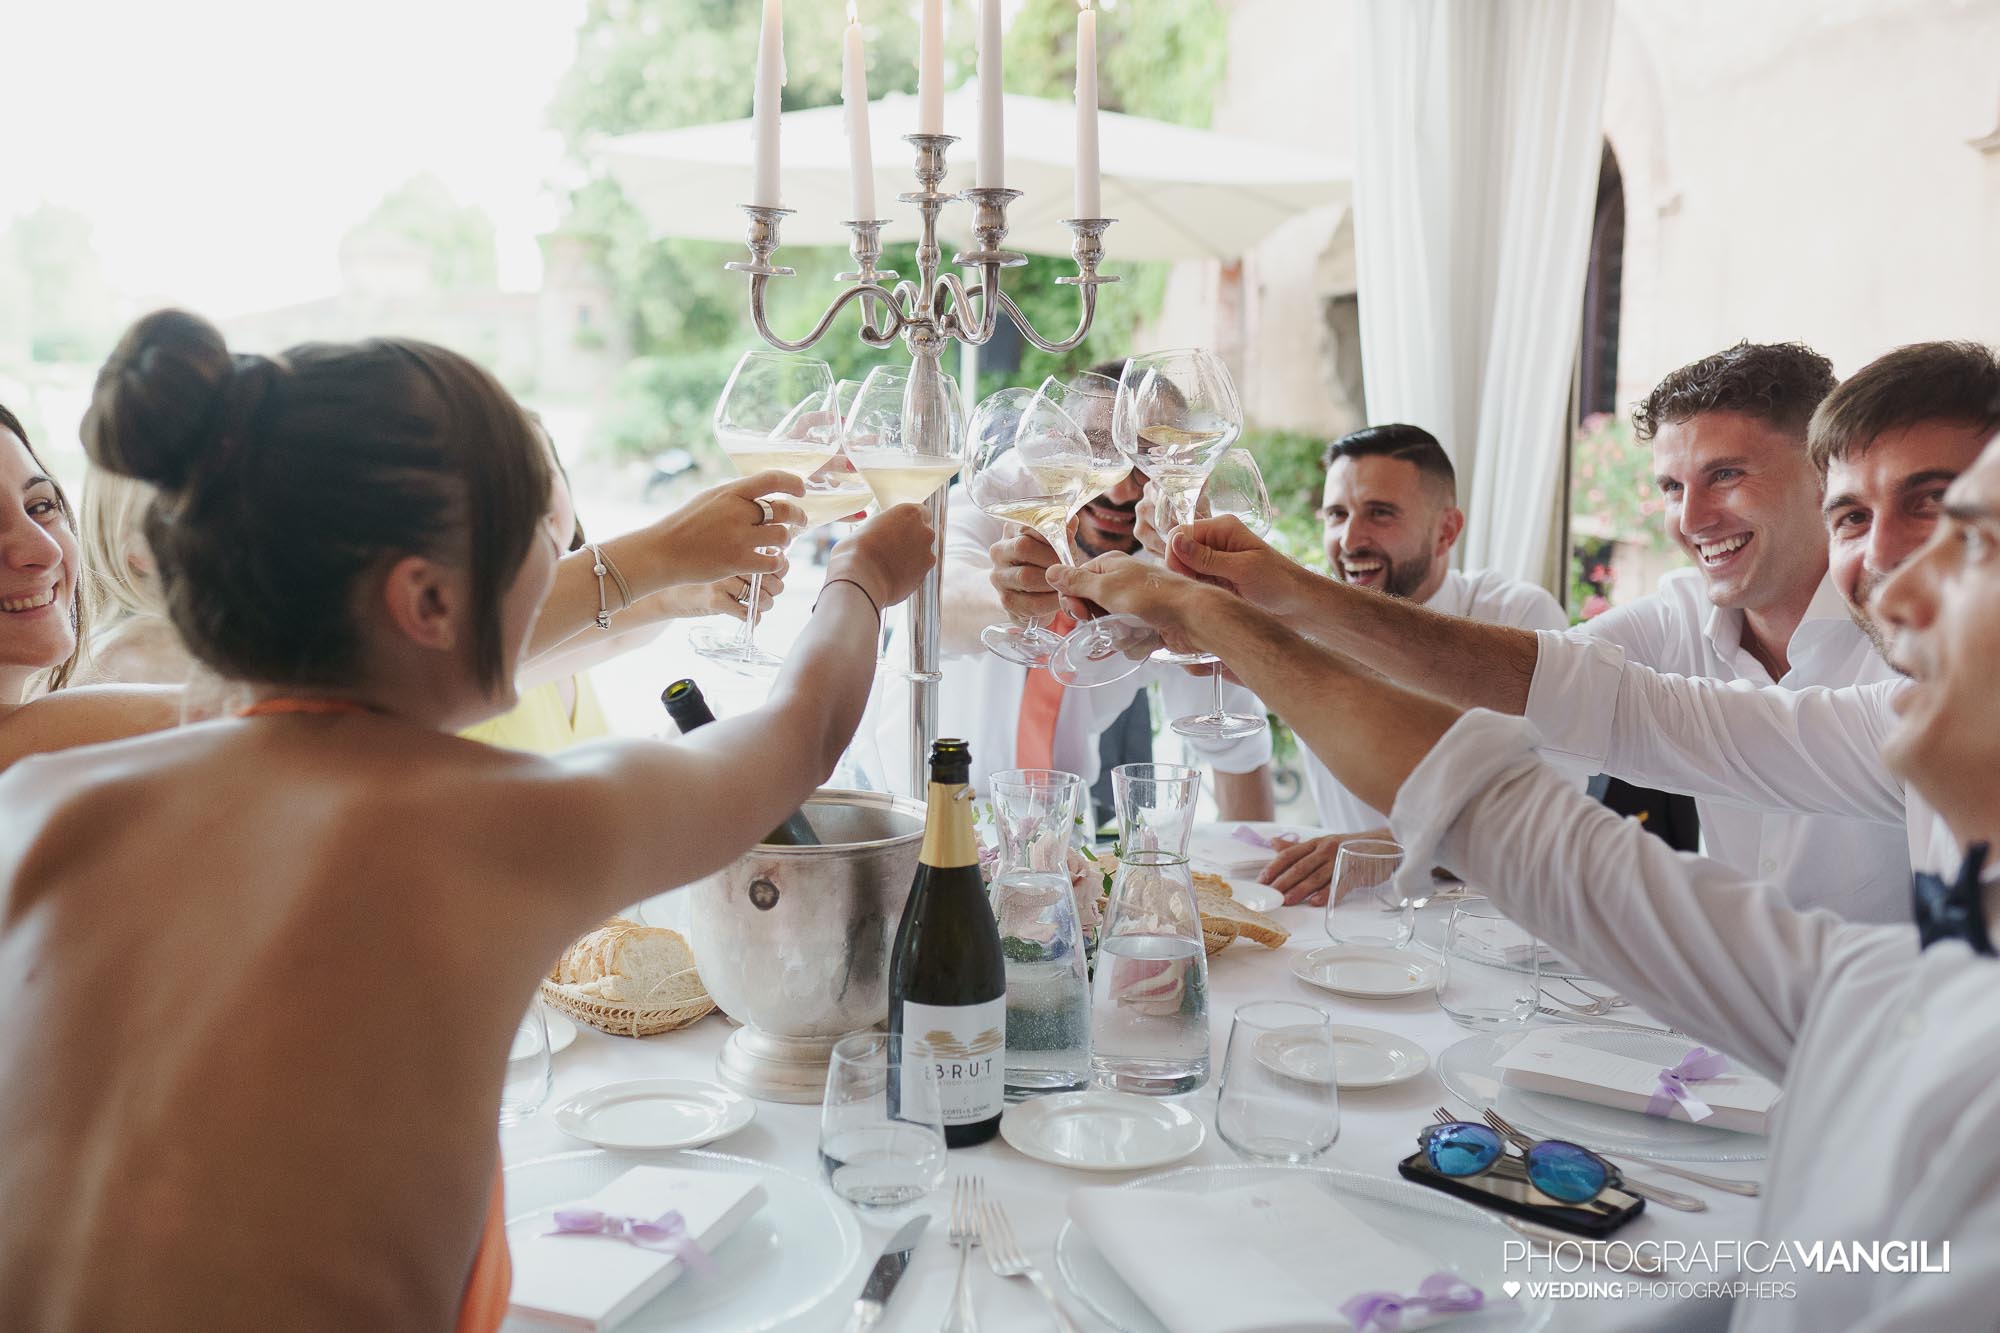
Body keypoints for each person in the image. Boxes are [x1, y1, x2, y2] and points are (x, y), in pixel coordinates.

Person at [0, 309, 936, 1332]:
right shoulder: (488, 824)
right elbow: (795, 737)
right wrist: (863, 578)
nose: (555, 563)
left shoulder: (43, 795)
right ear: (428, 601)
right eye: (534, 535)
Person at [1047, 430, 2000, 1327]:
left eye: (1977, 546)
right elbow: (1542, 796)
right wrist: (1244, 608)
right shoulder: (1911, 987)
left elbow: (1513, 811)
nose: (1897, 594)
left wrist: (1224, 617)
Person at [1158, 342, 1992, 919]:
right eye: (1670, 487)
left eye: (1725, 476)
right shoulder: (1677, 617)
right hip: (1758, 1029)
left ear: (1818, 478)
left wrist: (1274, 602)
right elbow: (1548, 684)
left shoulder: (1917, 673)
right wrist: (1227, 615)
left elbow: (1596, 713)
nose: (1691, 518)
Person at [1145, 424, 1568, 904]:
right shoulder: (1301, 617)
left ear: (1446, 531)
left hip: (1494, 917)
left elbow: (1555, 799)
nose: (1349, 539)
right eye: (1337, 514)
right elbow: (1226, 718)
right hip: (1347, 918)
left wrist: (1384, 848)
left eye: (1380, 514)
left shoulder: (1519, 617)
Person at [904, 360, 1275, 819]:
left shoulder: (1169, 551)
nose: (1120, 492)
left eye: (1144, 460)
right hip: (923, 806)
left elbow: (1231, 743)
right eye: (1100, 452)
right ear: (1054, 442)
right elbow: (938, 598)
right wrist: (1010, 598)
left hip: (1067, 822)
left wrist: (1256, 869)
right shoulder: (1008, 490)